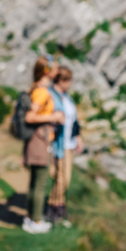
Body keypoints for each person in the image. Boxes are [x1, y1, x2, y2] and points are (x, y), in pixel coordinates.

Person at [22, 55, 64, 234]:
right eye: (55, 68)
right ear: (46, 71)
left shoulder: (38, 89)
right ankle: (36, 221)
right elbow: (30, 116)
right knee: (40, 182)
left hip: (36, 140)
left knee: (34, 182)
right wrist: (53, 117)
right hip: (41, 140)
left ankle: (31, 217)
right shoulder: (41, 92)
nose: (58, 70)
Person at [48, 66, 83, 224]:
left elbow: (74, 119)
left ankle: (58, 205)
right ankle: (54, 206)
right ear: (61, 81)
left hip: (69, 142)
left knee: (65, 178)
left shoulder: (67, 98)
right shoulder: (51, 96)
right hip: (57, 142)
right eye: (67, 81)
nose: (69, 84)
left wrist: (78, 137)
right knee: (60, 177)